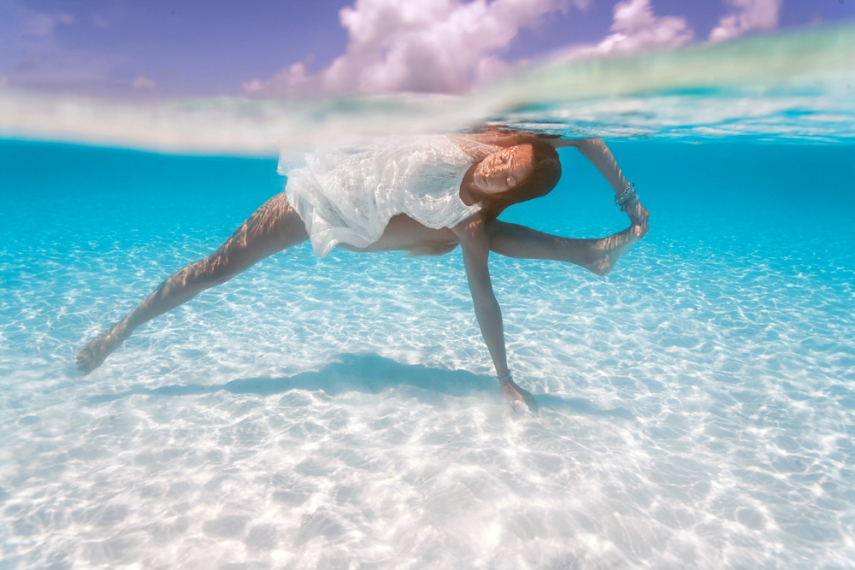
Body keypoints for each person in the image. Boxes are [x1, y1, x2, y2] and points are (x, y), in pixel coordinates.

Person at [77, 132, 649, 411]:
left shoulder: (467, 219)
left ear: (513, 190)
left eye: (507, 175)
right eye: (501, 158)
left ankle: (587, 255)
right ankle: (121, 331)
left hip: (366, 231)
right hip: (317, 201)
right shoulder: (473, 143)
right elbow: (576, 135)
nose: (497, 167)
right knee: (218, 269)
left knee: (473, 236)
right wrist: (624, 192)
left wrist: (503, 378)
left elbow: (484, 300)